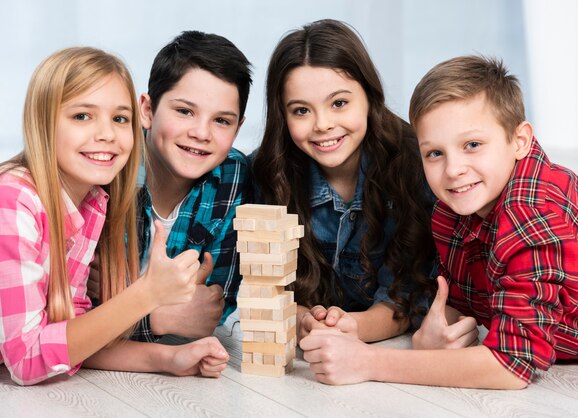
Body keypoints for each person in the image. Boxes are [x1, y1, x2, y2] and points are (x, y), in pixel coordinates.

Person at [0, 47, 228, 386]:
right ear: (43, 122)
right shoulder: (9, 200)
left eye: (119, 119)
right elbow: (28, 360)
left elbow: (70, 338)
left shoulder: (90, 203)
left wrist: (168, 358)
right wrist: (147, 294)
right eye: (82, 116)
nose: (107, 134)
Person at [301, 55, 578, 388]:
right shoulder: (453, 210)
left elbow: (510, 365)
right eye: (435, 153)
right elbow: (465, 303)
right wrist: (437, 326)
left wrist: (367, 362)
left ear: (520, 141)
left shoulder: (534, 215)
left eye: (472, 145)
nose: (453, 169)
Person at [251, 20, 435, 354]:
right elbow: (261, 288)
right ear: (283, 114)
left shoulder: (417, 165)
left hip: (385, 350)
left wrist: (352, 328)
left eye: (339, 103)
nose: (323, 124)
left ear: (369, 95)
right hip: (310, 356)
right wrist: (303, 319)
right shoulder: (269, 171)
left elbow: (409, 295)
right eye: (301, 110)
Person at [129, 31, 253, 342]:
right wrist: (158, 317)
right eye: (184, 111)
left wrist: (126, 299)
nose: (201, 133)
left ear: (238, 128)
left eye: (221, 121)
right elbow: (77, 315)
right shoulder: (109, 167)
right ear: (147, 110)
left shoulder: (232, 175)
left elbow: (208, 308)